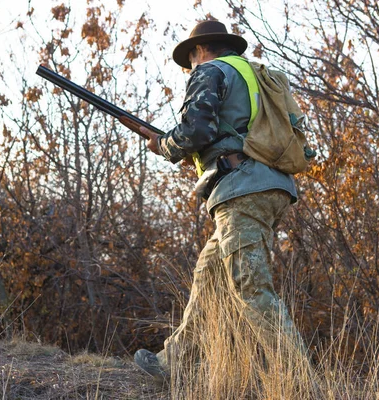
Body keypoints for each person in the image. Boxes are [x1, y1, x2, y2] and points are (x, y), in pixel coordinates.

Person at [134, 20, 304, 381]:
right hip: (271, 188)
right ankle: (173, 363)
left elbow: (196, 130)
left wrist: (164, 145)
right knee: (209, 275)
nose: (189, 67)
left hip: (242, 190)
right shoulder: (256, 75)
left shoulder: (210, 71)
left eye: (189, 59)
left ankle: (300, 383)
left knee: (251, 288)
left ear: (199, 50)